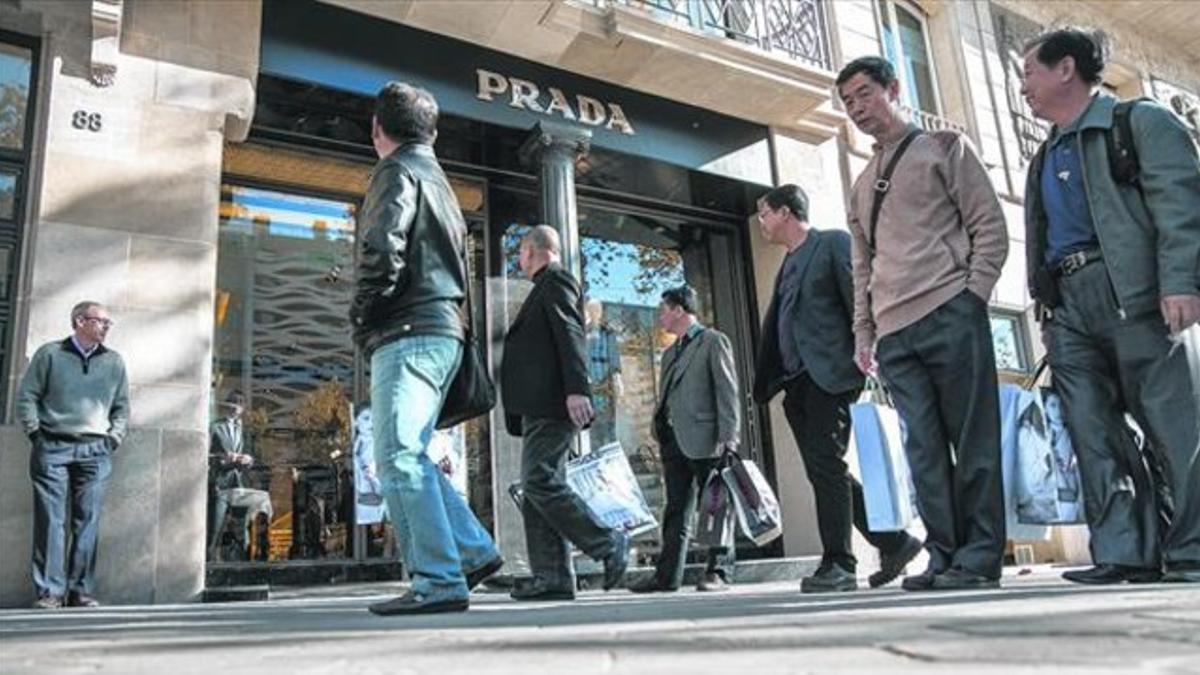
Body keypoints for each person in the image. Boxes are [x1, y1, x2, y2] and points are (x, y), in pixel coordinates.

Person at [1020, 27, 1200, 584]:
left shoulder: (1138, 122)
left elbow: (1181, 205)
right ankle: (1124, 551)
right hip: (1069, 307)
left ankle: (1192, 549)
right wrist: (1045, 306)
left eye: (1028, 72)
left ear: (1066, 68)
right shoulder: (1043, 154)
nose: (1023, 86)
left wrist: (1182, 281)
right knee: (1093, 432)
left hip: (1137, 294)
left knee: (1175, 427)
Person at [838, 56, 1009, 591]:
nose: (857, 108)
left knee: (972, 441)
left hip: (950, 311)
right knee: (923, 450)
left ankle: (979, 558)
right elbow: (862, 266)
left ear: (893, 88)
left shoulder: (944, 148)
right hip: (894, 334)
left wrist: (971, 296)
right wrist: (865, 335)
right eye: (847, 102)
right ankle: (943, 555)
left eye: (865, 94)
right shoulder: (862, 183)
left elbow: (990, 227)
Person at [351, 81, 502, 615]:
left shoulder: (396, 171)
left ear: (377, 129)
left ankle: (438, 581)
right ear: (431, 132)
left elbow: (380, 249)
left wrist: (363, 317)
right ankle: (474, 551)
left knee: (395, 457)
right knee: (410, 454)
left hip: (408, 331)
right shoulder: (439, 179)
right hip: (443, 332)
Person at [752, 184, 922, 593]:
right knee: (823, 469)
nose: (761, 223)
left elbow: (860, 301)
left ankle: (840, 564)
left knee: (826, 466)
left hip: (829, 375)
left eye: (765, 214)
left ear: (786, 213)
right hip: (796, 384)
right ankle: (895, 542)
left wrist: (869, 348)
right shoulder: (786, 264)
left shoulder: (831, 244)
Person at [500, 225, 630, 601]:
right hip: (539, 405)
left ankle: (607, 543)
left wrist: (577, 388)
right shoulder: (546, 284)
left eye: (521, 254)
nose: (519, 262)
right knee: (539, 489)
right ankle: (552, 577)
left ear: (531, 251)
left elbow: (569, 332)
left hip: (552, 403)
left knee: (539, 481)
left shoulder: (556, 280)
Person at [17, 301, 130, 609]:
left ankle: (80, 591)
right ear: (80, 321)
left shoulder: (114, 362)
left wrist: (114, 438)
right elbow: (27, 396)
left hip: (95, 449)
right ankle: (49, 592)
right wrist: (35, 434)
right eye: (101, 321)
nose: (106, 327)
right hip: (52, 445)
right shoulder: (50, 354)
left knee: (87, 520)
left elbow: (122, 406)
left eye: (108, 323)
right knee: (50, 521)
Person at [628, 285, 739, 594]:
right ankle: (667, 577)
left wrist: (730, 436)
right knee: (676, 509)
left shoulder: (712, 341)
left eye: (663, 310)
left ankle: (719, 572)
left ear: (679, 310)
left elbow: (727, 392)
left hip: (708, 438)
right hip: (674, 441)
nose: (660, 316)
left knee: (716, 506)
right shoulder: (669, 353)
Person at [207, 391, 271, 562]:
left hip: (241, 484)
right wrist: (222, 459)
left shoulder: (246, 430)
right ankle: (210, 561)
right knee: (216, 526)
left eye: (240, 404)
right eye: (233, 403)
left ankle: (239, 563)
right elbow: (204, 454)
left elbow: (255, 456)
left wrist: (249, 459)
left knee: (241, 528)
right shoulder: (215, 427)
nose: (236, 408)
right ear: (227, 405)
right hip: (221, 484)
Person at [584, 298, 623, 449]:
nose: (594, 313)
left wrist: (617, 377)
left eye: (597, 310)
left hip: (606, 384)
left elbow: (614, 356)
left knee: (609, 425)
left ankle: (612, 458)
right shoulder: (582, 332)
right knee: (594, 428)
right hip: (589, 383)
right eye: (591, 309)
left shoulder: (608, 333)